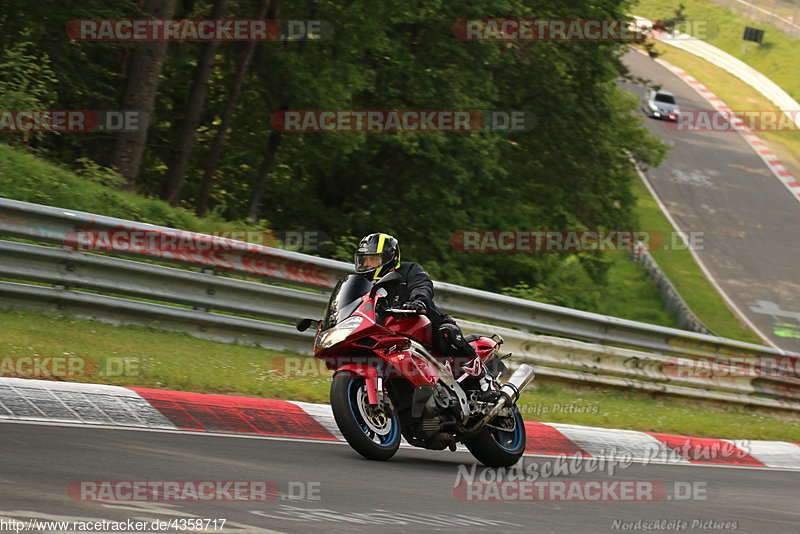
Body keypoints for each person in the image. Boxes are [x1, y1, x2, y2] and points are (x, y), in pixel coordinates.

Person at [354, 233, 476, 362]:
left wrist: (419, 301)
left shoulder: (410, 270)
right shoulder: (362, 283)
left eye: (372, 259)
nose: (366, 264)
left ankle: (481, 376)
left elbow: (422, 285)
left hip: (424, 325)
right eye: (364, 259)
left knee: (446, 333)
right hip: (387, 332)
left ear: (389, 257)